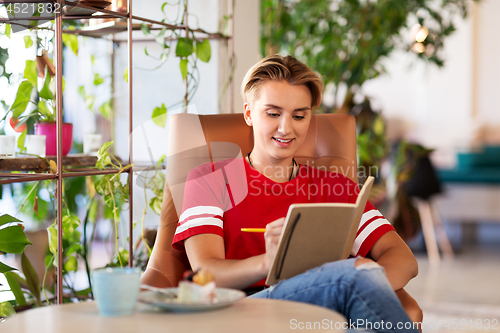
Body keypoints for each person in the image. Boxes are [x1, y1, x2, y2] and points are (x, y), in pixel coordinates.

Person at [172, 55, 422, 332]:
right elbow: (206, 272)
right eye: (273, 113)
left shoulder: (334, 187)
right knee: (355, 275)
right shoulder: (209, 181)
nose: (286, 128)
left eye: (299, 115)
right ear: (248, 114)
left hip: (328, 309)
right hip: (249, 310)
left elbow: (403, 259)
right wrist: (266, 264)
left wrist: (362, 283)